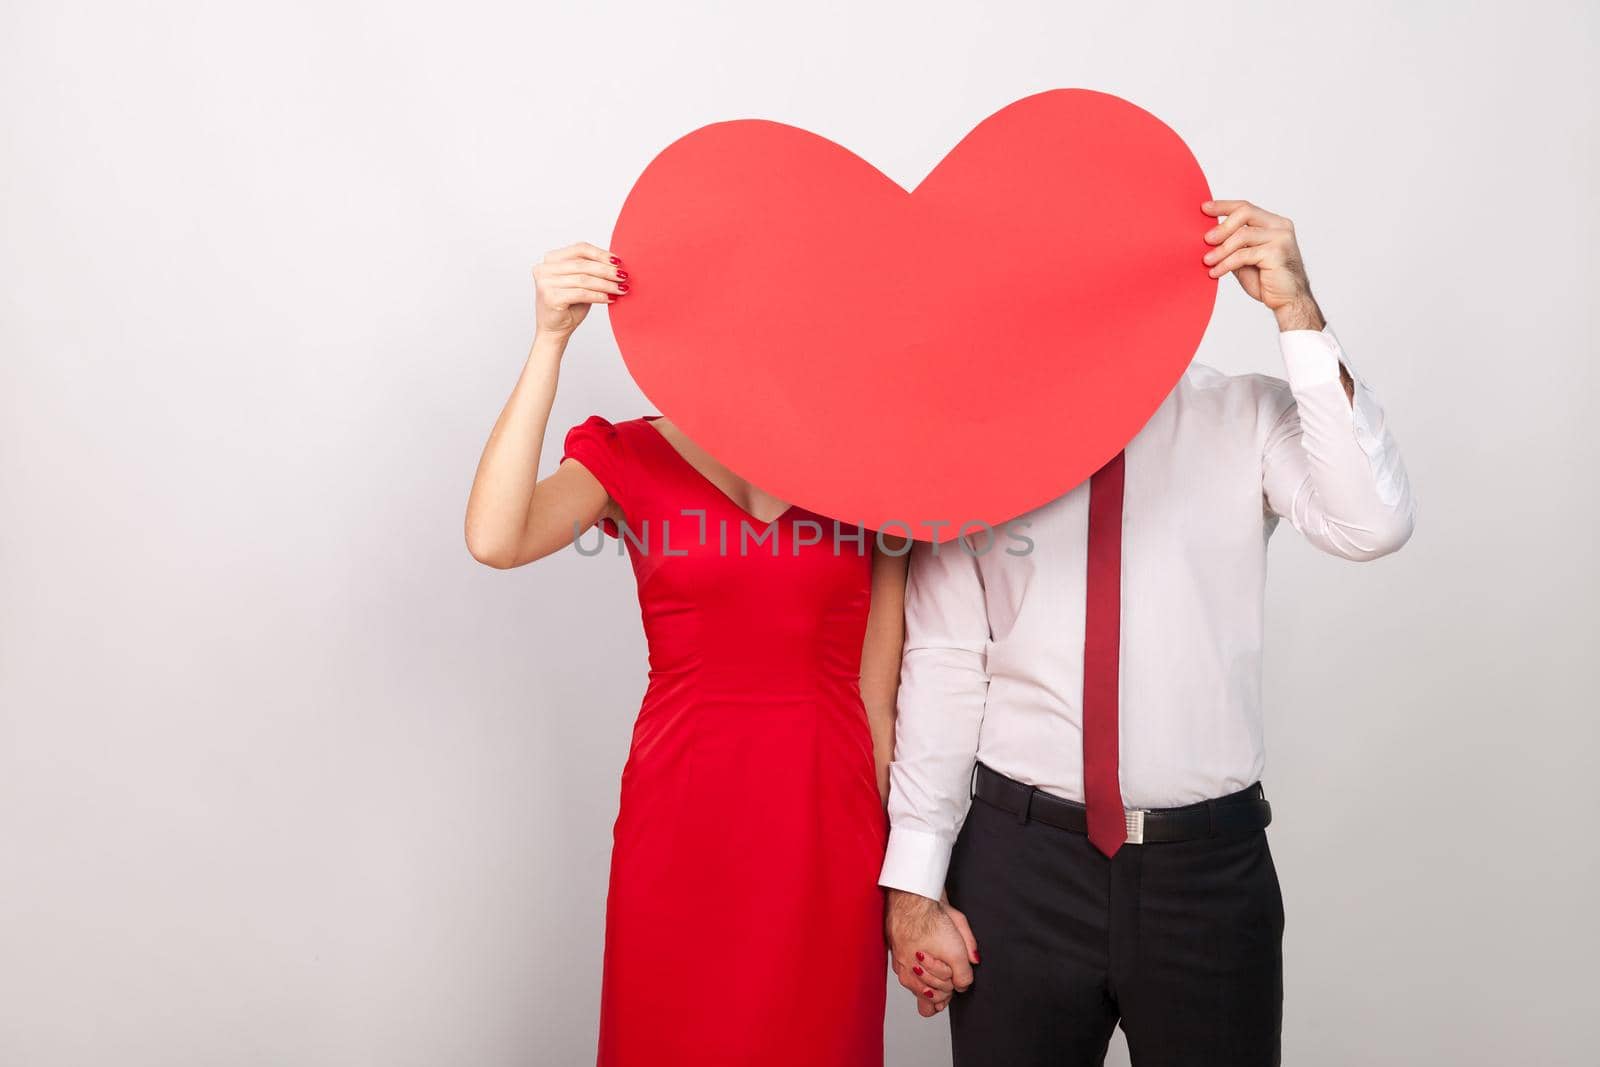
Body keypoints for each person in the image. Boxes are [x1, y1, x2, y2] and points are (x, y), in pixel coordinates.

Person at [880, 200, 1416, 1066]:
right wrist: (912, 886)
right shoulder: (969, 440)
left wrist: (1297, 313)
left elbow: (1373, 523)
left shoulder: (1244, 415)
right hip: (1020, 867)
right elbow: (945, 663)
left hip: (1207, 876)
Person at [463, 243, 906, 1066]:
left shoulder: (869, 474)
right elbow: (495, 536)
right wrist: (549, 342)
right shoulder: (626, 453)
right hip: (682, 814)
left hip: (828, 823)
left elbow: (879, 698)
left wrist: (906, 875)